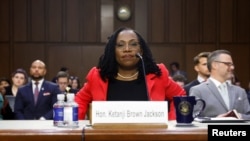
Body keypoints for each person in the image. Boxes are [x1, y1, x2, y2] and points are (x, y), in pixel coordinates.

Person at [75, 27, 186, 120]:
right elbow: (78, 102)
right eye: (120, 45)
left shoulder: (157, 74)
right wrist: (76, 125)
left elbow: (181, 97)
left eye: (133, 44)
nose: (127, 49)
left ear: (141, 50)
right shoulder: (98, 76)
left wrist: (171, 122)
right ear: (112, 51)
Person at [190, 49, 250, 120]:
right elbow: (194, 118)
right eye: (228, 64)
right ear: (214, 65)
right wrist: (215, 120)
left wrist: (240, 116)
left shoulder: (240, 91)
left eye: (232, 64)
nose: (232, 67)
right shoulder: (198, 90)